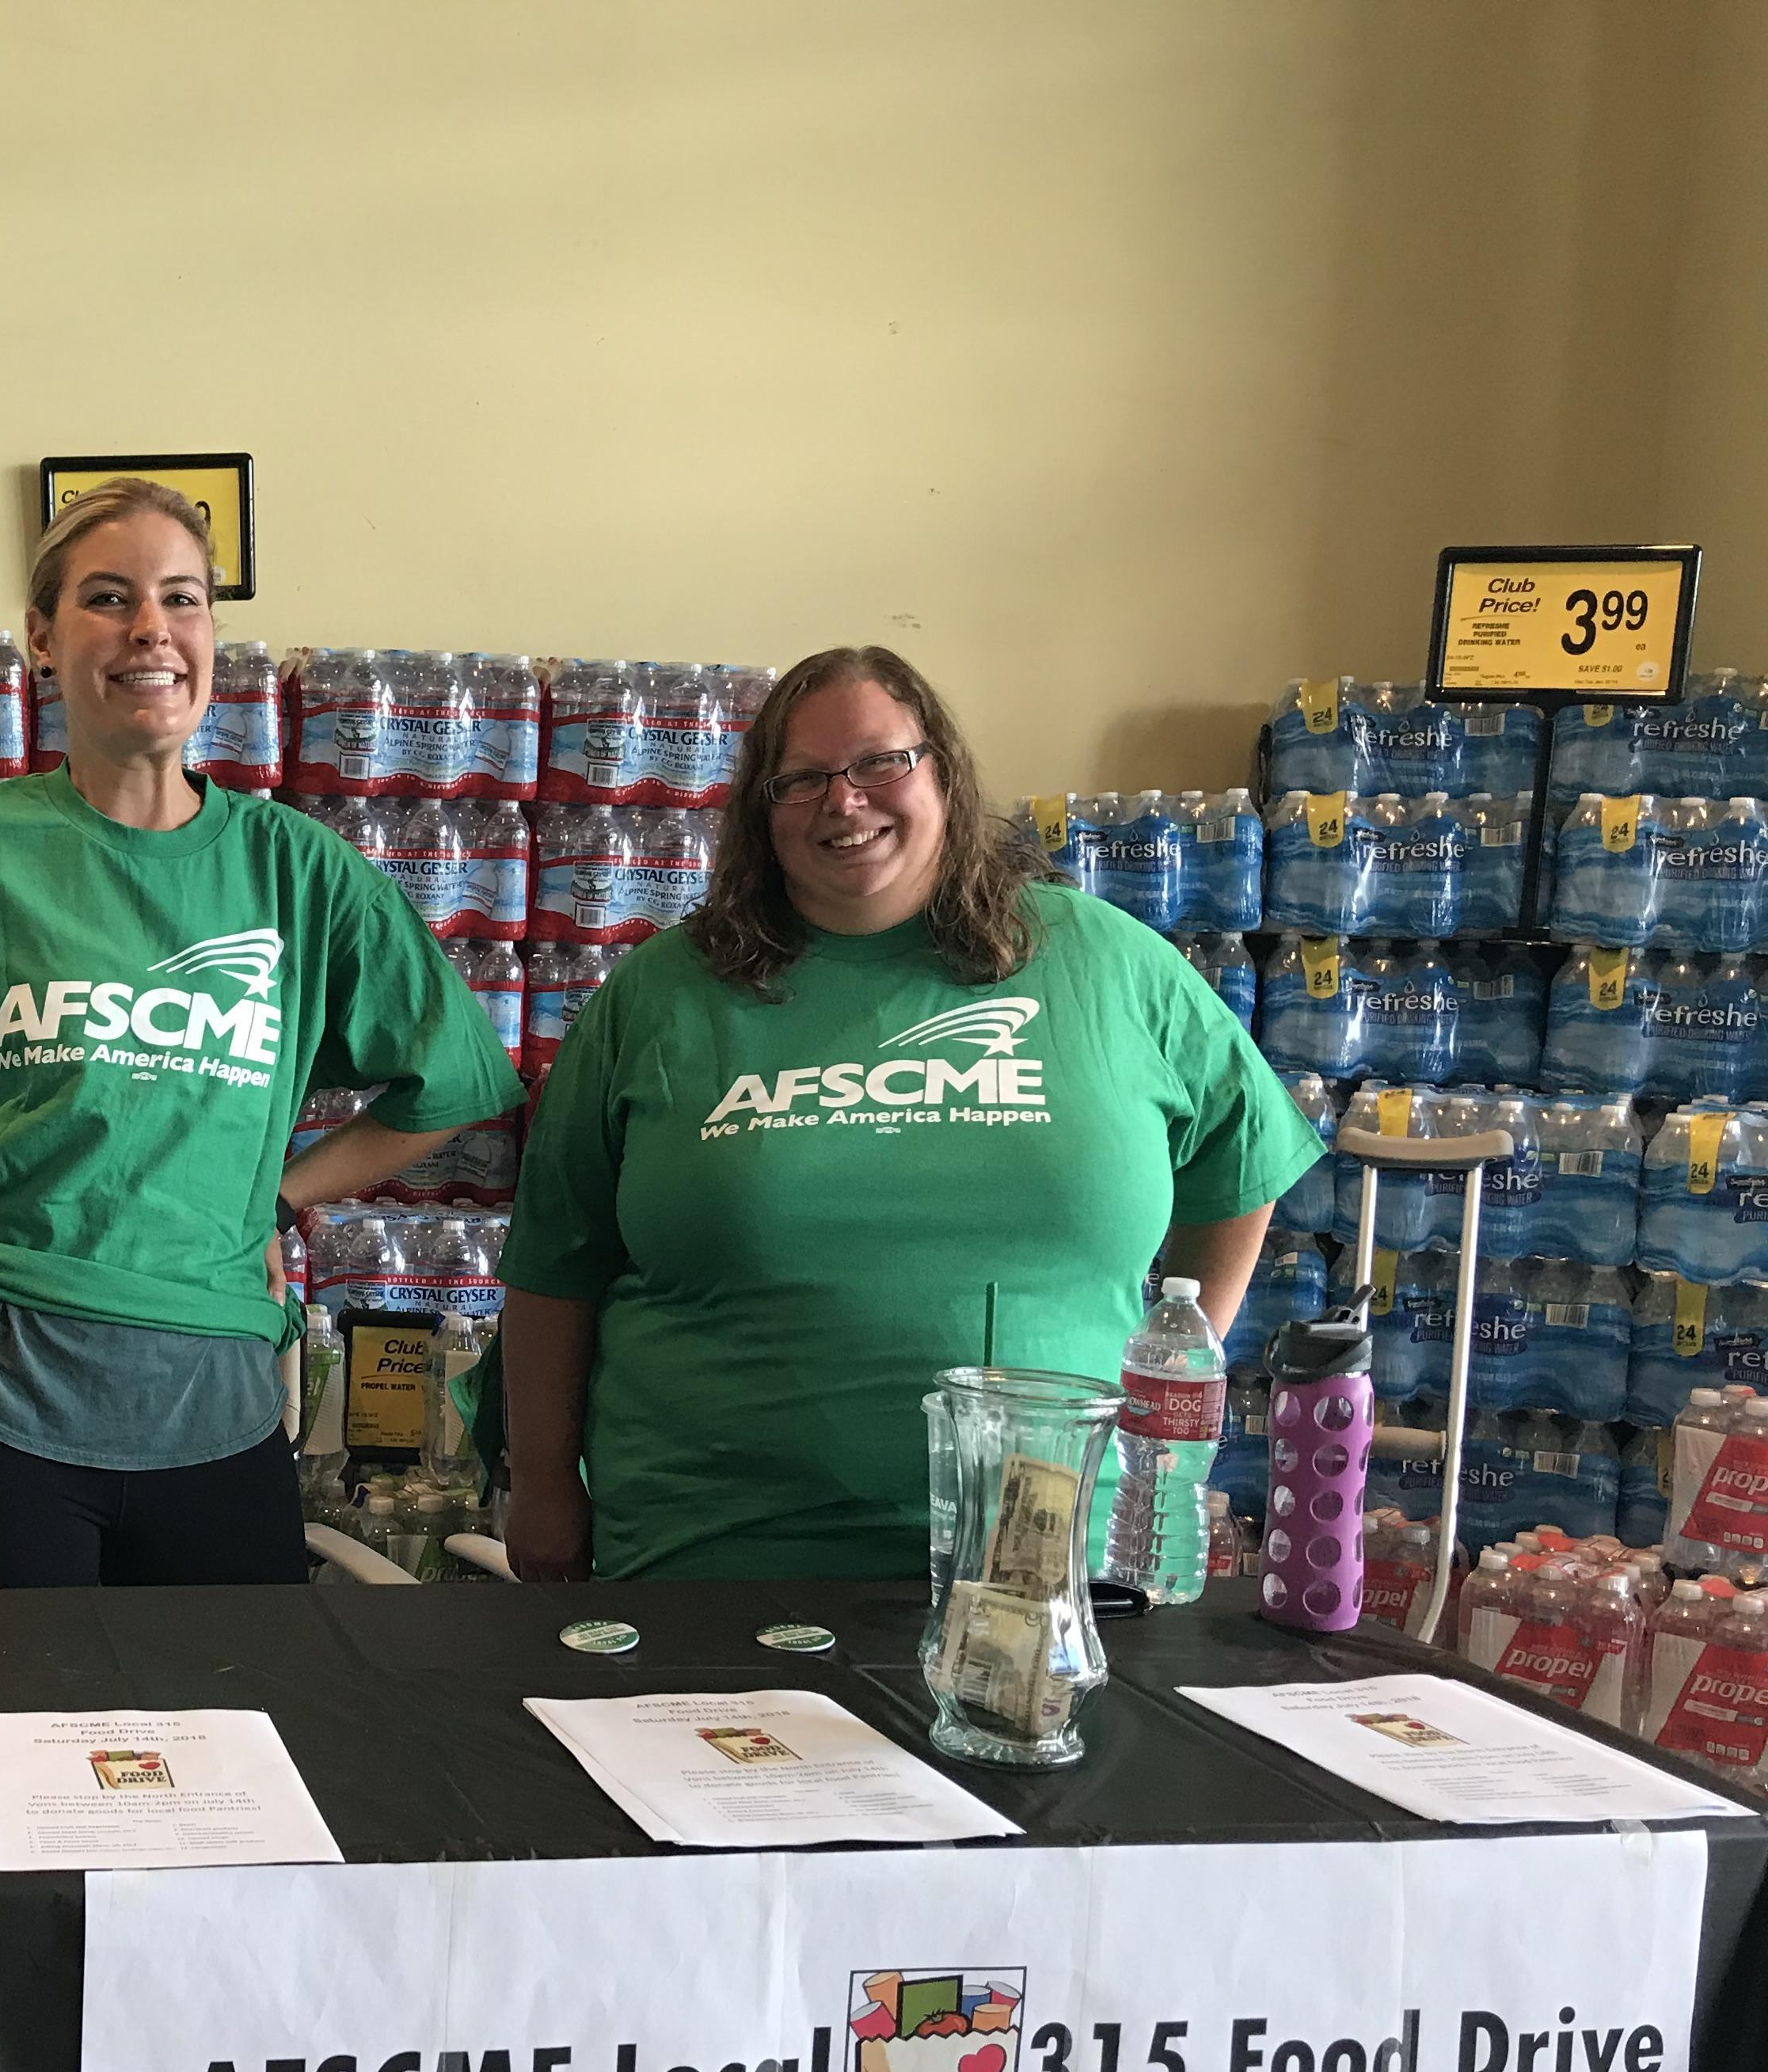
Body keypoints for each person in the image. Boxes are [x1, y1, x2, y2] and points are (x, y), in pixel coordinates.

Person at [0, 477, 523, 1588]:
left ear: (211, 636)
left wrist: (283, 1196)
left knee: (224, 1742)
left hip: (222, 1404)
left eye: (182, 600)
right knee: (6, 1751)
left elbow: (451, 1083)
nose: (151, 629)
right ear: (44, 638)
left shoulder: (302, 872)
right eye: (109, 598)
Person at [496, 644, 1321, 1583]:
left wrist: (1178, 1361)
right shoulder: (664, 994)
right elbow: (554, 1264)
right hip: (717, 1557)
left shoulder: (1110, 964)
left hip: (1050, 1574)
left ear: (946, 772)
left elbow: (1243, 1158)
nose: (844, 801)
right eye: (798, 779)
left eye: (883, 762)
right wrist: (545, 1491)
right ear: (758, 816)